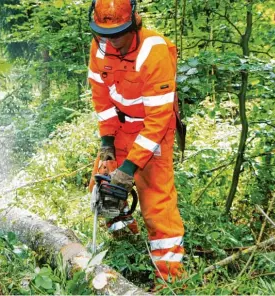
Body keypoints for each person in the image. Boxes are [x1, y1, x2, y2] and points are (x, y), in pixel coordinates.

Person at [87, 0, 185, 282]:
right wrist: (107, 144)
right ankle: (125, 243)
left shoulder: (153, 52)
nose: (112, 41)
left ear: (134, 24)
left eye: (118, 33)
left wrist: (129, 169)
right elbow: (102, 101)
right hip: (119, 126)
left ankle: (171, 278)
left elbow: (158, 120)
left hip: (154, 128)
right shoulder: (99, 47)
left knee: (157, 204)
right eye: (106, 34)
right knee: (104, 187)